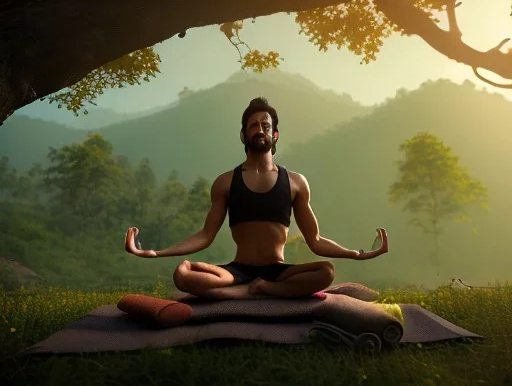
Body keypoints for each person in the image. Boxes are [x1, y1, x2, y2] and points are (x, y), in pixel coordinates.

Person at [125, 97, 388, 300]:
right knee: (182, 273)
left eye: (266, 125)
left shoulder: (296, 182)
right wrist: (156, 252)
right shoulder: (225, 182)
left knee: (326, 272)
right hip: (236, 271)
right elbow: (206, 235)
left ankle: (259, 290)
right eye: (253, 125)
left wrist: (356, 253)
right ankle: (246, 290)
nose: (260, 129)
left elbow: (315, 241)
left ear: (275, 135)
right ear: (244, 135)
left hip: (278, 271)